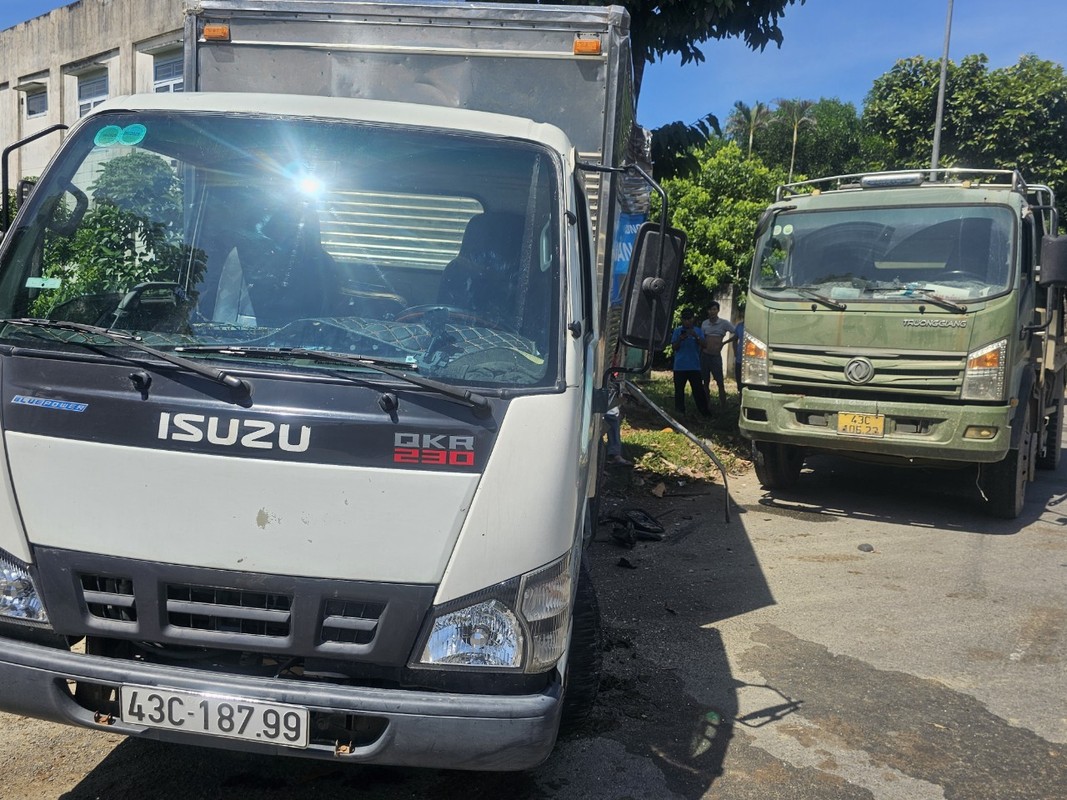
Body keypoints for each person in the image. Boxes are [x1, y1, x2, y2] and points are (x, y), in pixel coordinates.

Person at [671, 309, 711, 416]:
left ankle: (704, 412)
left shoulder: (698, 331)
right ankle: (680, 412)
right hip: (679, 367)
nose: (687, 321)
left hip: (694, 366)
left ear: (693, 319)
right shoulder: (677, 331)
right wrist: (680, 339)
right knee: (679, 391)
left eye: (689, 319)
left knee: (698, 391)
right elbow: (674, 347)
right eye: (685, 319)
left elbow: (705, 345)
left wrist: (695, 336)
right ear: (682, 320)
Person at [700, 301, 735, 407]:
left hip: (716, 357)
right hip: (705, 355)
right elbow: (702, 338)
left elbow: (736, 332)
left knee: (720, 382)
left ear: (718, 310)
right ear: (708, 311)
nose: (712, 311)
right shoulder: (705, 323)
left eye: (714, 309)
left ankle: (723, 405)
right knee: (705, 382)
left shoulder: (724, 323)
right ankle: (707, 404)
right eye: (710, 309)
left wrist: (724, 343)